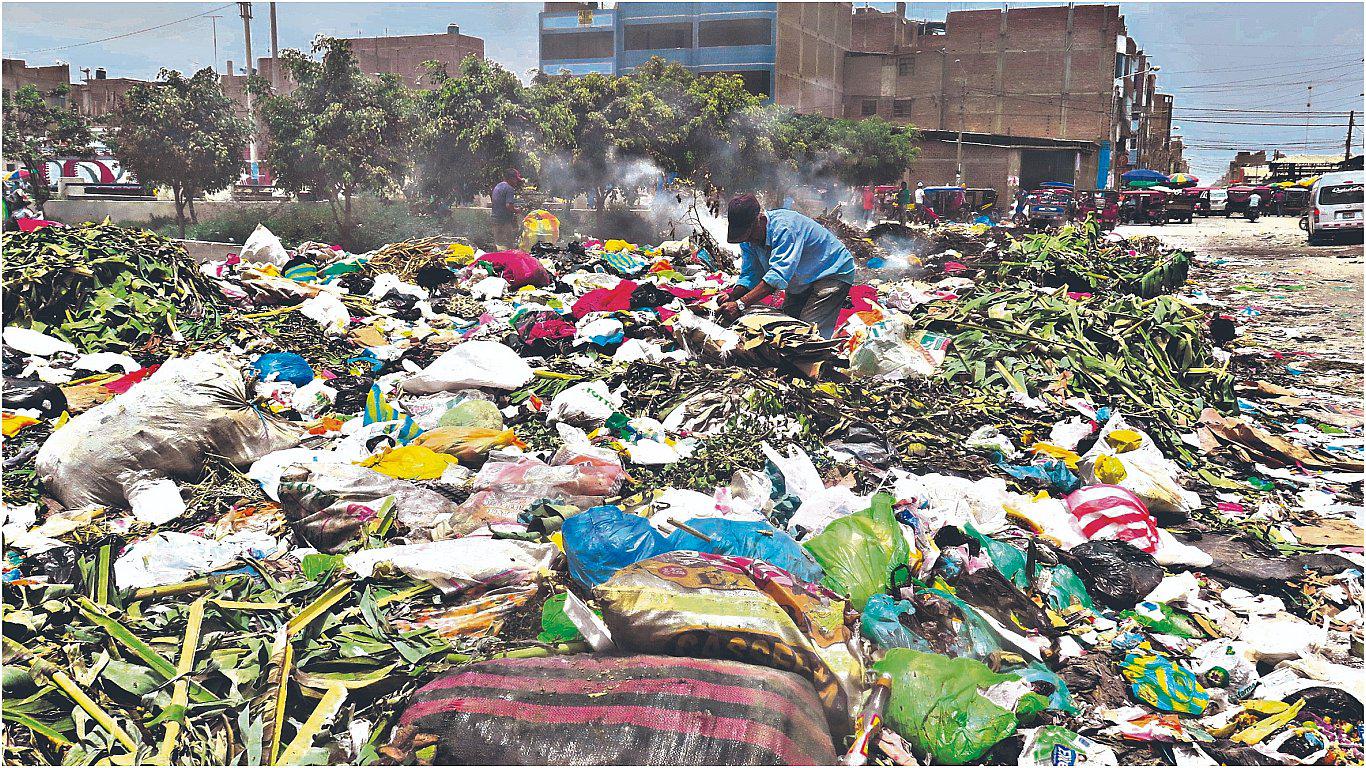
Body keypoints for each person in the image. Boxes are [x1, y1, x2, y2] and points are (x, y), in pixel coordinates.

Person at [718, 194, 856, 339]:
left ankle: (821, 359)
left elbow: (777, 276)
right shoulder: (748, 240)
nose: (750, 242)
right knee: (786, 328)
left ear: (761, 220)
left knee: (808, 335)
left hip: (832, 272)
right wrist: (732, 295)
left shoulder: (785, 227)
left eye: (750, 236)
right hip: (802, 279)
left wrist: (740, 304)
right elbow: (751, 273)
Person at [490, 168, 523, 249]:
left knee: (499, 244)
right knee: (508, 245)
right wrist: (518, 210)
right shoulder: (509, 189)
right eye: (515, 179)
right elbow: (509, 206)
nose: (516, 182)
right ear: (511, 178)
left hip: (495, 219)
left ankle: (498, 260)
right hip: (504, 221)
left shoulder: (498, 186)